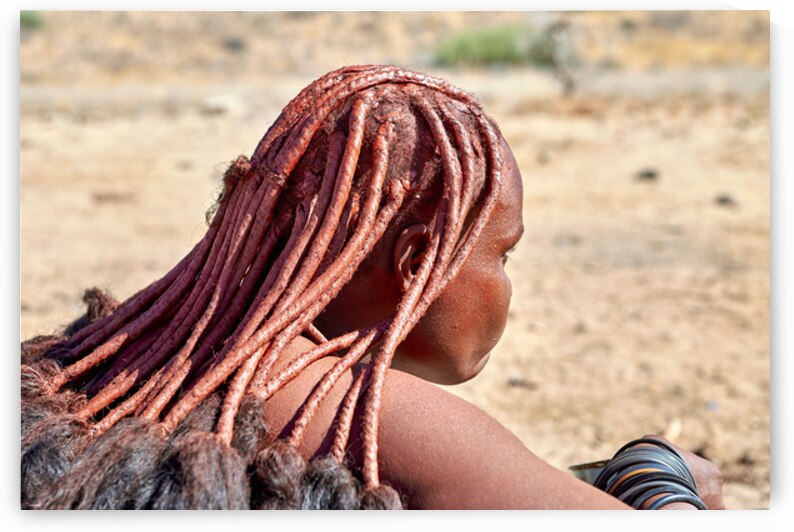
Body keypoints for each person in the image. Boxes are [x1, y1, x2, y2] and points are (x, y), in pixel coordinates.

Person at [20, 64, 724, 510]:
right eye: (503, 255)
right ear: (418, 262)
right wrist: (656, 476)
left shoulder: (102, 360)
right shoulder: (380, 424)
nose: (508, 288)